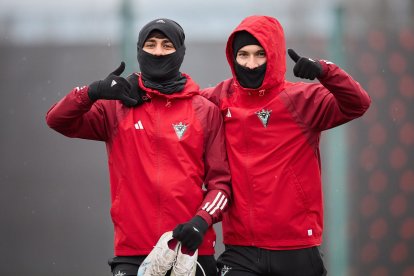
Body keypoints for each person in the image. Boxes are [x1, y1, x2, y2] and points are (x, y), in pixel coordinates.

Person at [46, 18, 231, 276]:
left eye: (166, 45)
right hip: (132, 253)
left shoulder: (204, 110)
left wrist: (200, 223)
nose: (157, 52)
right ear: (139, 50)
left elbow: (221, 186)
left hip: (191, 250)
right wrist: (92, 92)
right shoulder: (117, 106)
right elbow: (57, 120)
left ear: (180, 52)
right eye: (150, 45)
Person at [198, 15, 371, 275]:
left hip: (297, 246)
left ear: (274, 54)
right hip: (241, 248)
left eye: (260, 54)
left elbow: (358, 103)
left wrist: (325, 71)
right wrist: (137, 86)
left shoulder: (300, 99)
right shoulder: (220, 98)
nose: (252, 64)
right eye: (243, 55)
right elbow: (179, 100)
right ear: (232, 58)